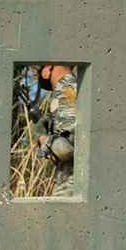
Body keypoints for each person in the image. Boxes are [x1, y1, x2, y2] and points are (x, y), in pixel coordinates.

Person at [36, 64, 78, 197]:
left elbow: (67, 146)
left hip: (72, 184)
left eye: (39, 70)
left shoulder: (65, 91)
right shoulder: (75, 87)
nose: (38, 75)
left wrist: (44, 139)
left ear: (49, 67)